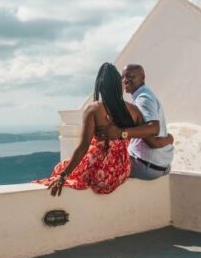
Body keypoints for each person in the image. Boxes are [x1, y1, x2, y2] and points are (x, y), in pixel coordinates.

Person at [36, 62, 173, 196]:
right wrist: (169, 139)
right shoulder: (134, 110)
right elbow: (151, 136)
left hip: (101, 172)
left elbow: (83, 147)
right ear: (119, 85)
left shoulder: (93, 109)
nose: (126, 80)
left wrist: (63, 175)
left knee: (59, 168)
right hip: (121, 171)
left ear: (100, 86)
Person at [95, 64, 174, 180]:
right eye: (122, 77)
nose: (125, 80)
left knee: (97, 168)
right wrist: (169, 138)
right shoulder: (143, 96)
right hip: (160, 165)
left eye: (130, 77)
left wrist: (120, 133)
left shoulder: (143, 99)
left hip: (146, 166)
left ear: (143, 78)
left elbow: (154, 129)